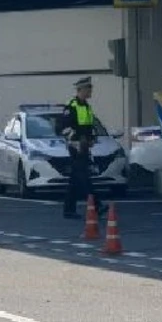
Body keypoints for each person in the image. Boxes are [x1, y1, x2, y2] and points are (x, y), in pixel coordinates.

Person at [57, 76, 100, 219]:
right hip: (76, 147)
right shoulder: (71, 106)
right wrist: (75, 140)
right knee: (84, 177)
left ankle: (68, 210)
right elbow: (62, 127)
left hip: (85, 146)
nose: (91, 91)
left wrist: (92, 139)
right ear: (81, 90)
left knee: (75, 180)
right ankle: (97, 206)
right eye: (89, 88)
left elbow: (89, 126)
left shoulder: (87, 106)